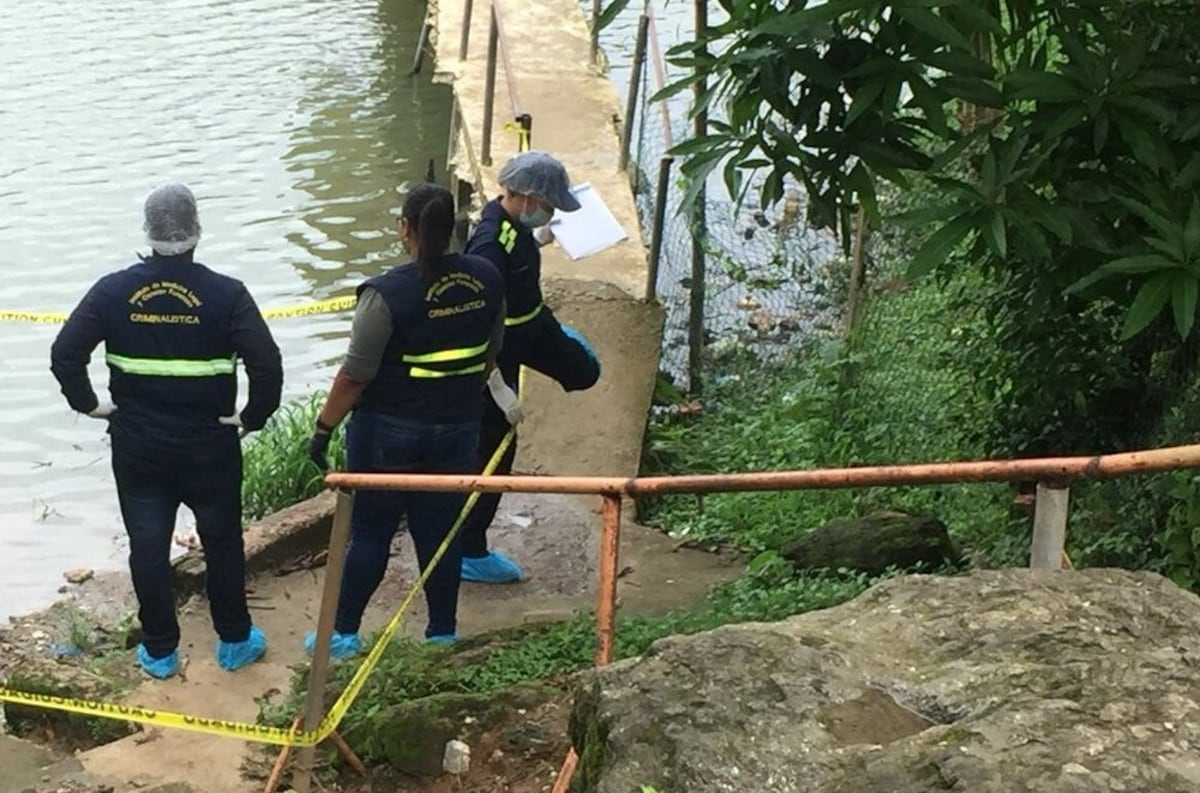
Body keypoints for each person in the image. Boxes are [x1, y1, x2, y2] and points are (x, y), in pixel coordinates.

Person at [50, 182, 283, 679]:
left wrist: (91, 406)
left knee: (148, 546)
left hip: (139, 448)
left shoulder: (112, 291)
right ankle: (235, 640)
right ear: (197, 232)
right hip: (210, 446)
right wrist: (251, 417)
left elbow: (65, 354)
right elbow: (267, 365)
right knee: (222, 542)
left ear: (148, 234)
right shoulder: (228, 294)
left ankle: (159, 649)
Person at [305, 183, 505, 659]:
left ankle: (343, 634)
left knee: (371, 532)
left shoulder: (386, 293)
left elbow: (355, 375)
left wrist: (323, 429)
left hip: (385, 434)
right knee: (439, 532)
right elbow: (491, 353)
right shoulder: (487, 278)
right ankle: (442, 633)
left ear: (405, 229)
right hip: (457, 429)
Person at [457, 151, 602, 584]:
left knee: (585, 372)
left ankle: (470, 539)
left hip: (532, 325)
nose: (551, 213)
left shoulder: (514, 229)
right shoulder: (486, 245)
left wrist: (537, 239)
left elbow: (516, 254)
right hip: (500, 350)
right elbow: (474, 321)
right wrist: (495, 382)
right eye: (548, 205)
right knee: (496, 448)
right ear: (524, 197)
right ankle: (469, 547)